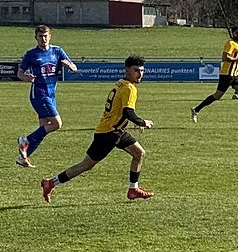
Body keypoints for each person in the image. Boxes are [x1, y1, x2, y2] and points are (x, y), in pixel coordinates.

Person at [41, 55, 155, 202]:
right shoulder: (129, 88)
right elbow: (128, 112)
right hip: (109, 133)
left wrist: (133, 121)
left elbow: (121, 111)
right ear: (127, 70)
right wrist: (142, 122)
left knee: (139, 153)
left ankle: (133, 189)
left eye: (142, 71)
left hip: (116, 130)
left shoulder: (121, 83)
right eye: (136, 70)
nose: (140, 74)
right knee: (86, 165)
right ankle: (51, 183)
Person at [16, 25, 78, 168]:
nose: (43, 39)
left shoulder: (57, 51)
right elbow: (20, 73)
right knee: (57, 124)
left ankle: (23, 157)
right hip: (39, 94)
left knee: (43, 128)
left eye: (45, 36)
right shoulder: (31, 54)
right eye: (40, 36)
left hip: (51, 94)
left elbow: (74, 67)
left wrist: (70, 66)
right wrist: (26, 78)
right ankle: (25, 141)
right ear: (36, 38)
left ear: (50, 36)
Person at [191, 25, 238, 127]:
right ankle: (196, 109)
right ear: (233, 34)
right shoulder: (230, 43)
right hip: (226, 74)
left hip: (236, 74)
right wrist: (237, 59)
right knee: (217, 96)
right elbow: (225, 57)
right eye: (236, 33)